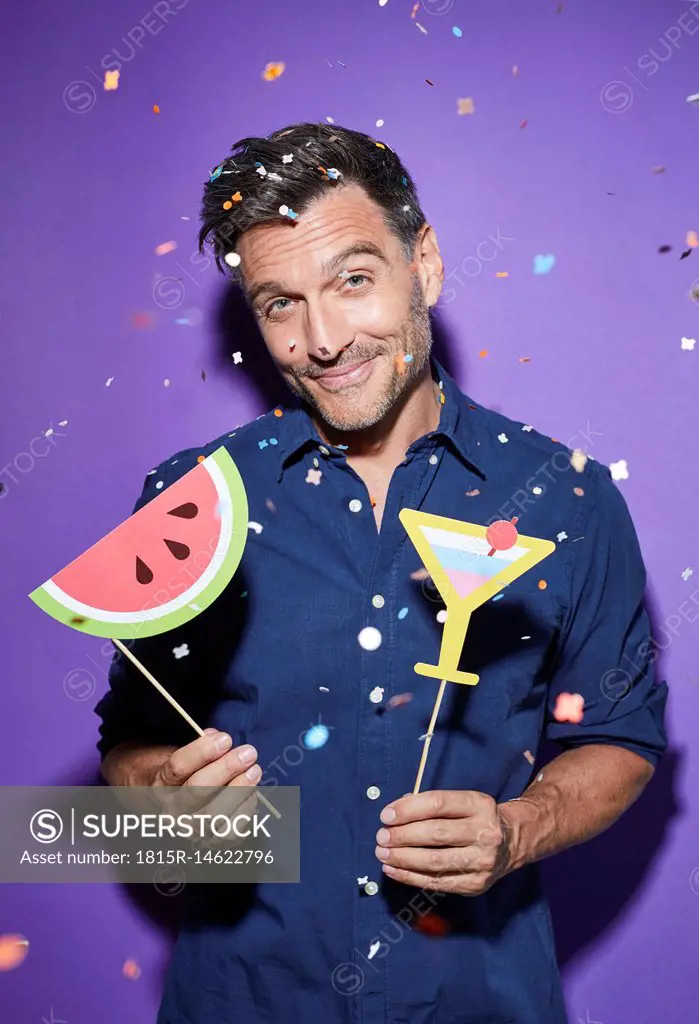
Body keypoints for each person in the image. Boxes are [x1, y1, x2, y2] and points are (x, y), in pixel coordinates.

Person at [96, 122, 668, 1024]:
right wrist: (158, 799)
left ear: (426, 263)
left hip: (478, 1000)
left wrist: (518, 831)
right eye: (279, 303)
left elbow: (621, 740)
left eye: (351, 280)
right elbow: (126, 746)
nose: (321, 339)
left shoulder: (567, 497)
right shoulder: (189, 500)